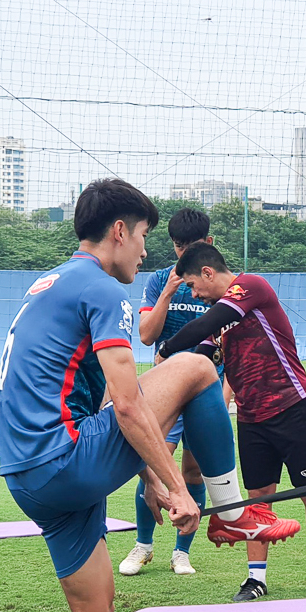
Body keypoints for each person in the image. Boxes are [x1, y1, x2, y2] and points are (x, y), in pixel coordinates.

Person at [0, 178, 296, 612]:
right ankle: (228, 510)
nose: (144, 253)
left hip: (29, 477)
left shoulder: (48, 283)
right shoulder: (102, 287)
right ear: (118, 231)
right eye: (142, 237)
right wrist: (176, 488)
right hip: (65, 461)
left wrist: (153, 478)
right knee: (195, 366)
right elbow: (130, 407)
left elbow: (106, 404)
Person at [159, 242, 306, 601]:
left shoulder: (250, 287)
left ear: (209, 273)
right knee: (258, 501)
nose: (195, 293)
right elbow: (203, 357)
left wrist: (165, 351)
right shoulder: (218, 314)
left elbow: (206, 324)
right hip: (251, 417)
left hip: (292, 406)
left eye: (194, 285)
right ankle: (256, 579)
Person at [119, 208, 219, 578]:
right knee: (153, 464)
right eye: (178, 247)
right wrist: (168, 292)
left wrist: (224, 391)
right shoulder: (159, 279)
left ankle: (181, 552)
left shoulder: (217, 282)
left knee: (193, 471)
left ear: (208, 244)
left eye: (190, 247)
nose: (183, 254)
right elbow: (146, 335)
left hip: (206, 392)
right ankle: (143, 546)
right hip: (165, 393)